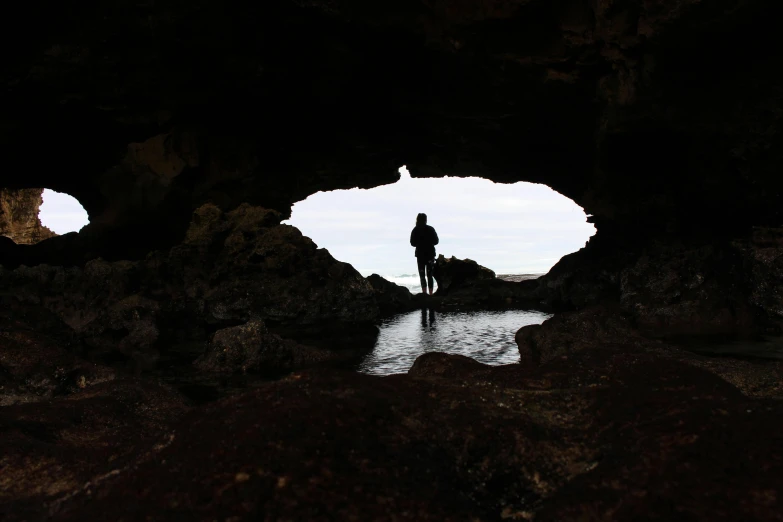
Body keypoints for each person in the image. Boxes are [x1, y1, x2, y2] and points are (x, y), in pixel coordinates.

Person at [410, 213, 439, 295]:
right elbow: (436, 241)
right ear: (425, 220)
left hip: (420, 255)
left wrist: (419, 243)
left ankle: (424, 293)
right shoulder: (430, 229)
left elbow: (412, 243)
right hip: (430, 254)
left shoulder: (415, 230)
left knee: (422, 275)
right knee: (430, 275)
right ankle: (430, 293)